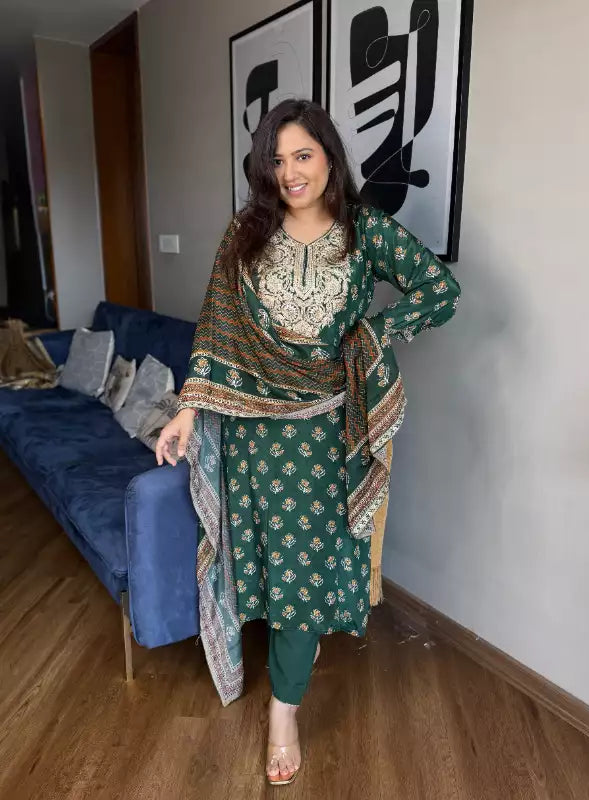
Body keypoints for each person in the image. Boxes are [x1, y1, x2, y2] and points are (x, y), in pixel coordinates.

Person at [155, 98, 461, 786]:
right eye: (277, 159)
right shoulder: (245, 233)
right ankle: (295, 654)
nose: (290, 172)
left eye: (303, 155)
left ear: (329, 157)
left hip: (324, 431)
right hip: (251, 433)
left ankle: (283, 712)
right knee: (264, 558)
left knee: (300, 568)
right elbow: (214, 327)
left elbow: (438, 290)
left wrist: (372, 335)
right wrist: (187, 411)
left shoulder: (364, 231)